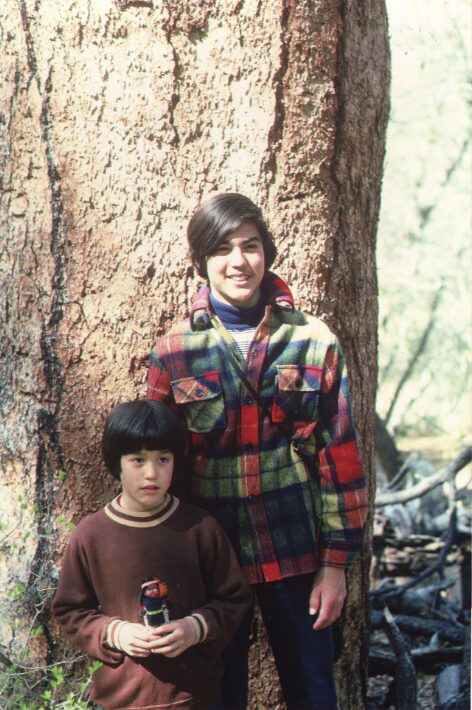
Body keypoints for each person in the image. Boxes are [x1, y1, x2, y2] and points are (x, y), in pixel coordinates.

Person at [146, 192, 368, 710]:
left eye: (250, 246)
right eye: (222, 249)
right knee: (217, 698)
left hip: (299, 557)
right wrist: (162, 563)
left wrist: (335, 565)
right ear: (201, 261)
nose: (238, 261)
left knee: (314, 693)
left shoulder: (314, 341)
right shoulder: (175, 351)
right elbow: (154, 469)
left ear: (267, 253)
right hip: (210, 566)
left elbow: (343, 462)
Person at [52, 399, 252, 710]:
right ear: (115, 463)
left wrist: (195, 628)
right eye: (137, 460)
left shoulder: (200, 527)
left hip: (197, 697)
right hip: (122, 699)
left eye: (163, 459)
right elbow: (70, 611)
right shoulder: (91, 535)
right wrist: (116, 633)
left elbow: (235, 598)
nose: (151, 473)